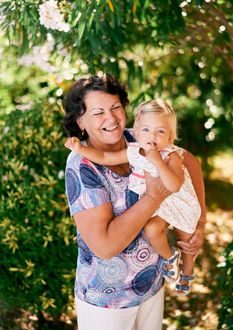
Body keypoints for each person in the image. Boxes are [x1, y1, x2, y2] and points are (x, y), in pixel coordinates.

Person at [63, 74, 206, 330]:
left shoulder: (138, 137)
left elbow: (187, 160)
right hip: (109, 301)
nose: (111, 118)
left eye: (116, 107)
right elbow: (104, 246)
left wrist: (199, 221)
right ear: (80, 122)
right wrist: (153, 197)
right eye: (98, 112)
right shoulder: (81, 167)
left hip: (150, 286)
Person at [65, 98, 201, 294]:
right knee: (152, 228)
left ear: (170, 135)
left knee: (188, 246)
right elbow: (104, 158)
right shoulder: (136, 150)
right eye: (146, 130)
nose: (152, 136)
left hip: (179, 205)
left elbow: (174, 185)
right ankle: (170, 258)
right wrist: (80, 149)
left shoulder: (170, 155)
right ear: (137, 129)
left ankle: (187, 273)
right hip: (160, 209)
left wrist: (158, 162)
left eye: (160, 131)